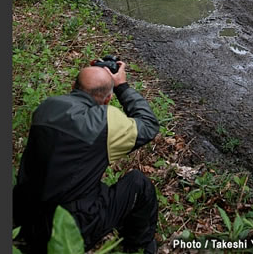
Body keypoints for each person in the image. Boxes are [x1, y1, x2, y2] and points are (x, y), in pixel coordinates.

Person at [13, 61, 160, 254]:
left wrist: (95, 72)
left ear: (73, 87)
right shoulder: (106, 122)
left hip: (24, 217)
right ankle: (140, 248)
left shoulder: (46, 108)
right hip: (68, 230)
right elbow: (149, 125)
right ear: (108, 99)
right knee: (138, 183)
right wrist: (122, 87)